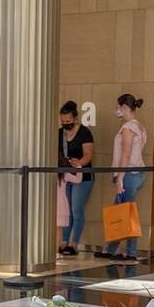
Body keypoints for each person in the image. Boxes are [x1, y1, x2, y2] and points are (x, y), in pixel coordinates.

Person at [104, 94, 147, 264]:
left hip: (128, 174)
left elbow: (126, 153)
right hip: (136, 174)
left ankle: (130, 252)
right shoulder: (140, 127)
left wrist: (119, 177)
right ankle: (111, 248)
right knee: (120, 212)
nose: (117, 111)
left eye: (118, 107)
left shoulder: (128, 128)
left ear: (124, 107)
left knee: (127, 214)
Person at [58, 100, 94, 256]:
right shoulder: (60, 133)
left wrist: (79, 164)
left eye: (69, 121)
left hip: (82, 176)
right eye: (63, 121)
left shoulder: (84, 132)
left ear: (75, 118)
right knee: (66, 211)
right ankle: (64, 242)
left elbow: (88, 155)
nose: (66, 124)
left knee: (76, 210)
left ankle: (74, 243)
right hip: (65, 176)